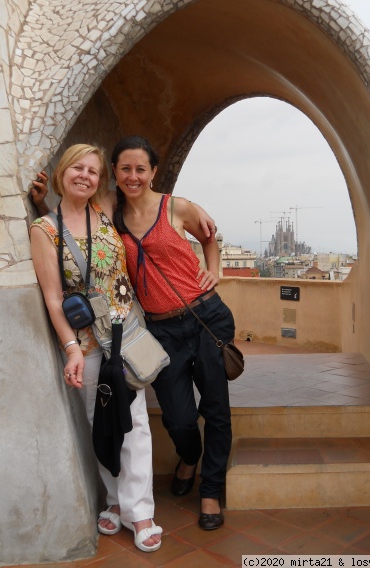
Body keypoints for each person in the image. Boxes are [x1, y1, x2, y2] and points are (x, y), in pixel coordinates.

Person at [30, 144, 162, 553]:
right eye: (77, 168)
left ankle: (140, 511)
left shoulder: (104, 207)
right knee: (101, 423)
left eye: (92, 171)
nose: (85, 176)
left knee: (135, 423)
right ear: (61, 172)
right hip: (88, 342)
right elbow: (54, 299)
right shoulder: (45, 230)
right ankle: (115, 500)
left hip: (127, 334)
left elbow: (137, 181)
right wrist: (70, 347)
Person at [110, 136, 235, 530]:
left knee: (215, 409)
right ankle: (190, 454)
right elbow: (74, 225)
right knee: (178, 418)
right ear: (115, 172)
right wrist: (42, 201)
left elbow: (210, 235)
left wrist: (213, 268)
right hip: (161, 331)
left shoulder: (175, 206)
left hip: (205, 318)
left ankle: (211, 491)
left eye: (140, 169)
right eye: (125, 168)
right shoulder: (111, 217)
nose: (133, 176)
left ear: (152, 172)